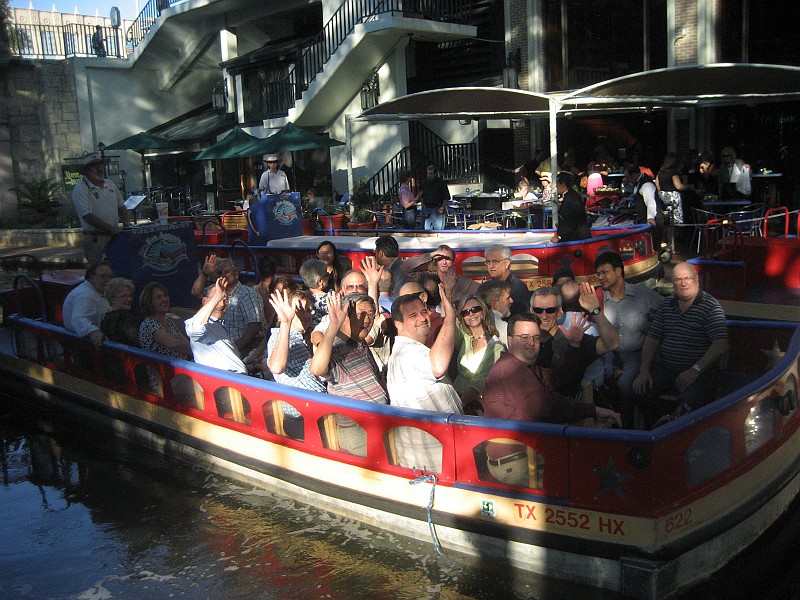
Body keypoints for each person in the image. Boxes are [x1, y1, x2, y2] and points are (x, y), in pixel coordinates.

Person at [482, 314, 621, 486]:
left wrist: (574, 344)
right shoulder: (510, 370)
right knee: (588, 479)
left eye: (535, 337)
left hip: (524, 456)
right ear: (510, 340)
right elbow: (548, 406)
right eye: (524, 337)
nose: (531, 342)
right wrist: (593, 410)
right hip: (516, 463)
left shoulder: (523, 367)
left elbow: (557, 377)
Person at [633, 262, 729, 427]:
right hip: (668, 369)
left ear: (696, 280)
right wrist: (644, 370)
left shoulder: (710, 307)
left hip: (702, 371)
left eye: (687, 278)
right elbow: (652, 338)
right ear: (673, 283)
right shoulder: (666, 305)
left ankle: (675, 431)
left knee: (687, 401)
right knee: (639, 390)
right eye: (678, 280)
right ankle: (658, 427)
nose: (683, 283)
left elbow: (721, 343)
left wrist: (694, 370)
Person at [388, 289, 463, 473]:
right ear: (398, 324)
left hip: (438, 455)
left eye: (424, 312)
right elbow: (438, 366)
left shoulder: (411, 349)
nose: (422, 318)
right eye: (413, 315)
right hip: (432, 463)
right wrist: (450, 318)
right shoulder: (407, 353)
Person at [309, 292, 388, 457]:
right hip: (359, 433)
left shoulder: (359, 343)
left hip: (380, 424)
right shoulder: (334, 347)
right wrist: (333, 325)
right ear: (345, 316)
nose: (367, 320)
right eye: (360, 314)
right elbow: (316, 369)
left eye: (370, 314)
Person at [594, 252, 663, 428]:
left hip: (635, 355)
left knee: (625, 385)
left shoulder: (642, 294)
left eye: (604, 272)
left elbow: (667, 309)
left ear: (618, 272)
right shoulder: (598, 299)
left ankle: (628, 429)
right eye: (598, 273)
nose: (600, 277)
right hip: (608, 356)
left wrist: (653, 321)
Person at [531, 285, 619, 398]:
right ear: (531, 311)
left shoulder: (573, 339)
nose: (544, 316)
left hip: (566, 406)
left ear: (559, 312)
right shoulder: (524, 342)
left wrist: (595, 310)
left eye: (550, 310)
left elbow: (612, 343)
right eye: (538, 310)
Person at [266, 288, 325, 440]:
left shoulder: (302, 338)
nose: (306, 314)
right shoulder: (279, 337)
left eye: (309, 310)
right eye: (299, 309)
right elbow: (276, 367)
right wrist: (286, 323)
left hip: (317, 411)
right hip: (300, 416)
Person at [71, 152, 131, 264]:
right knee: (99, 269)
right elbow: (87, 216)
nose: (99, 169)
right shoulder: (81, 189)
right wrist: (110, 228)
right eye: (94, 166)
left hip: (114, 237)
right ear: (87, 170)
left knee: (119, 266)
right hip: (96, 239)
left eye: (100, 165)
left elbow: (121, 206)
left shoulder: (110, 184)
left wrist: (126, 223)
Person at [184, 277, 247, 374]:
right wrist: (218, 296)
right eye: (218, 299)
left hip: (240, 376)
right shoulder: (202, 324)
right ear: (204, 301)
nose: (222, 303)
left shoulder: (220, 325)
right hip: (224, 380)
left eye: (225, 299)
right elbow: (194, 329)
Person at [453, 295, 503, 415]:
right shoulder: (464, 338)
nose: (471, 314)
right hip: (455, 396)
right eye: (465, 312)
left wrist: (458, 405)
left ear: (483, 312)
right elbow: (448, 321)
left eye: (475, 309)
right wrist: (448, 292)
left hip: (476, 407)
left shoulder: (496, 347)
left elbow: (481, 381)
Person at [400, 244, 478, 307]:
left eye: (447, 259)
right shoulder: (426, 276)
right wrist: (431, 255)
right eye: (440, 259)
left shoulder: (465, 283)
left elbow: (480, 292)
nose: (444, 262)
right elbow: (405, 268)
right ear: (435, 261)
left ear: (453, 261)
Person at [63, 261, 113, 349]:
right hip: (87, 348)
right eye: (103, 276)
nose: (108, 280)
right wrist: (93, 331)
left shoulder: (94, 291)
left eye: (110, 276)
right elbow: (78, 319)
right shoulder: (85, 295)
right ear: (91, 277)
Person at [138, 282, 191, 359]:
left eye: (165, 296)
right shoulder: (149, 324)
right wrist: (198, 352)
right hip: (160, 366)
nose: (164, 299)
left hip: (181, 362)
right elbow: (173, 344)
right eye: (159, 297)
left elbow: (185, 343)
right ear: (149, 302)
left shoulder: (169, 322)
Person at [624, 163, 664, 251]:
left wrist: (650, 218)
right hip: (642, 219)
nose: (627, 180)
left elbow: (651, 201)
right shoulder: (637, 183)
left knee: (653, 248)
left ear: (634, 175)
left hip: (652, 220)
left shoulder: (646, 184)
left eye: (628, 177)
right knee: (645, 248)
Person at [483, 244, 530, 316]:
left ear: (507, 263)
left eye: (495, 261)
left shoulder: (518, 288)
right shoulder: (486, 287)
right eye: (488, 262)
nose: (491, 266)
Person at [100, 277, 142, 346]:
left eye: (130, 296)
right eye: (124, 296)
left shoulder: (107, 318)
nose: (129, 299)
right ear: (112, 299)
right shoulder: (123, 319)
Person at [551, 172, 590, 243]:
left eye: (557, 184)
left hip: (577, 238)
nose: (556, 186)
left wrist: (560, 236)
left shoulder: (571, 198)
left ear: (563, 185)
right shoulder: (571, 195)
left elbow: (572, 221)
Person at [476, 278, 512, 346]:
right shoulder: (504, 328)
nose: (511, 301)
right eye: (507, 298)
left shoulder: (474, 324)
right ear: (494, 304)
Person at [299, 258, 330, 329]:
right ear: (320, 281)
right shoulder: (332, 299)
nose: (329, 277)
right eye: (327, 274)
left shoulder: (298, 298)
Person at [419, 165, 450, 230]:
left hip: (437, 208)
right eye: (428, 173)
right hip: (426, 208)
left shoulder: (441, 183)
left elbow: (446, 197)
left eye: (431, 173)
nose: (429, 175)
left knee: (438, 231)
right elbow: (421, 195)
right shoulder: (424, 182)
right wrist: (423, 204)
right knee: (426, 231)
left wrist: (442, 207)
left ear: (435, 174)